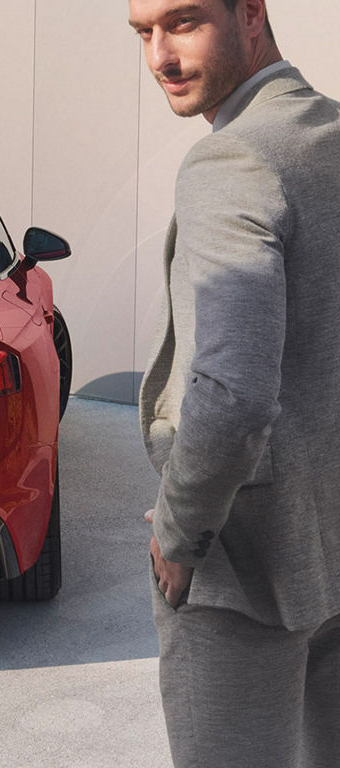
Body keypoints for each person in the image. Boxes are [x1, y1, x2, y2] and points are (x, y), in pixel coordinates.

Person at [128, 0, 340, 765]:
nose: (159, 56)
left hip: (246, 561)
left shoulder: (234, 160)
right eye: (142, 33)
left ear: (251, 14)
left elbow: (231, 391)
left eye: (181, 22)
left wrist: (182, 535)